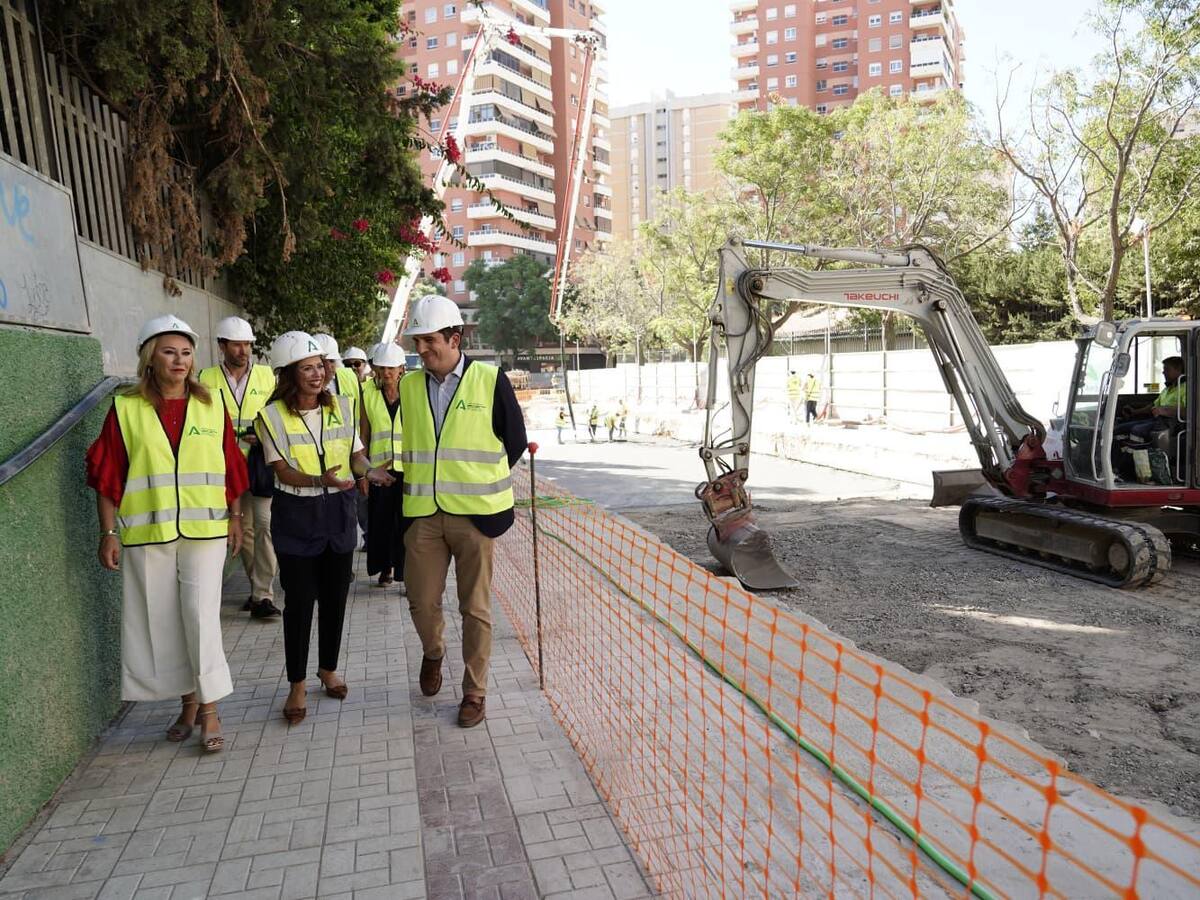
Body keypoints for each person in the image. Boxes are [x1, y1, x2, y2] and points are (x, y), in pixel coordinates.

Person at [87, 315, 248, 754]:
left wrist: (235, 516)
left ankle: (210, 710)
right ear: (149, 358)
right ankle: (188, 704)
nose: (180, 360)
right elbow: (108, 476)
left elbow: (230, 466)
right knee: (163, 621)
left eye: (186, 352)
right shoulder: (125, 408)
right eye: (169, 351)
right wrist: (108, 533)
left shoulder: (212, 404)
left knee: (199, 616)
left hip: (204, 531)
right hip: (147, 533)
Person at [399, 295, 527, 728]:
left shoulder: (490, 380)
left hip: (475, 517)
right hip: (424, 514)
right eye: (417, 341)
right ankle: (433, 652)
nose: (421, 350)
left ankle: (474, 692)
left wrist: (476, 485)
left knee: (474, 608)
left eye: (429, 340)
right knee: (420, 600)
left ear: (455, 338)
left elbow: (514, 442)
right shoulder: (409, 385)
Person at [256, 331, 395, 724]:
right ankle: (297, 684)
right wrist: (321, 481)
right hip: (297, 520)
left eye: (320, 366)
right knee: (299, 604)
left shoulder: (342, 409)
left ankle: (328, 668)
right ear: (288, 374)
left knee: (335, 598)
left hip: (338, 516)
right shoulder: (270, 417)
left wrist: (372, 471)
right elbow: (281, 469)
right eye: (307, 368)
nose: (318, 375)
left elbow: (355, 456)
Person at [198, 316, 281, 619]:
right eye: (237, 344)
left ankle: (263, 593)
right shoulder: (205, 378)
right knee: (243, 530)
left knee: (266, 525)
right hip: (225, 463)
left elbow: (280, 416)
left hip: (260, 463)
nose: (243, 350)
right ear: (222, 346)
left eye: (247, 344)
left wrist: (262, 435)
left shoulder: (266, 377)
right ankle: (257, 591)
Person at [314, 333, 367, 549]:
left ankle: (342, 563)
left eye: (332, 362)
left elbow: (361, 417)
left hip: (347, 461)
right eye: (324, 363)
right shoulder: (302, 389)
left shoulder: (349, 378)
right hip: (314, 470)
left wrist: (363, 464)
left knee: (346, 516)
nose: (330, 368)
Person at [362, 343, 407, 589]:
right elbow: (364, 433)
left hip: (408, 468)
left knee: (406, 522)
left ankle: (406, 572)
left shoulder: (412, 390)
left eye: (392, 368)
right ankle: (385, 567)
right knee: (381, 521)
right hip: (379, 469)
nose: (387, 373)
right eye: (382, 368)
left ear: (402, 368)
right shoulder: (367, 392)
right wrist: (364, 473)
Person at [1117, 356, 1187, 440]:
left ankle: (1138, 452)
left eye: (1167, 369)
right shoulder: (1167, 389)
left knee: (1136, 430)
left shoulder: (1187, 389)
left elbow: (1188, 412)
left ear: (1178, 370)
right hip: (1157, 420)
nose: (1163, 372)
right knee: (1119, 427)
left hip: (1171, 424)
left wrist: (1164, 411)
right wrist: (1134, 412)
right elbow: (1153, 406)